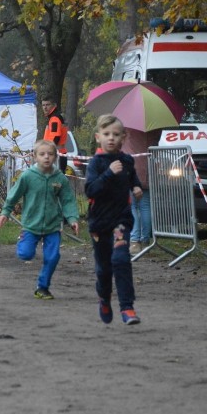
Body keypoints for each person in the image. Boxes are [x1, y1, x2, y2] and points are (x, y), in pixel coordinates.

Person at [0, 139, 80, 300]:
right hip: (31, 225)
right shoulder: (28, 176)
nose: (46, 157)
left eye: (50, 154)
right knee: (26, 254)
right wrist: (5, 213)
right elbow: (14, 195)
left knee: (53, 257)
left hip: (53, 226)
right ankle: (23, 240)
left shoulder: (59, 178)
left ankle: (43, 287)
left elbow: (68, 200)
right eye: (42, 154)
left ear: (55, 157)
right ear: (35, 157)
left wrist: (72, 218)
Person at [85, 114, 143, 325]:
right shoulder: (96, 163)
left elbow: (131, 177)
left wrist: (136, 187)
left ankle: (127, 307)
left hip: (121, 221)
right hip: (100, 223)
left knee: (120, 259)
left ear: (123, 137)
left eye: (116, 135)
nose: (111, 138)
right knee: (104, 269)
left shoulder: (127, 161)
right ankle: (104, 299)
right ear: (98, 137)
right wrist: (108, 173)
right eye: (107, 134)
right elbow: (91, 190)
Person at [125, 129, 161, 255]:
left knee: (131, 206)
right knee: (145, 206)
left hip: (131, 168)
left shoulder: (128, 126)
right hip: (149, 169)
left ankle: (134, 240)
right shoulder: (155, 127)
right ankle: (145, 240)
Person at [41, 96, 69, 172]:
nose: (45, 107)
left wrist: (48, 152)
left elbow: (55, 137)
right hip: (57, 154)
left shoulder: (54, 119)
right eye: (43, 105)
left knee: (55, 181)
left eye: (48, 105)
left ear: (54, 105)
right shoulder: (54, 118)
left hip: (56, 155)